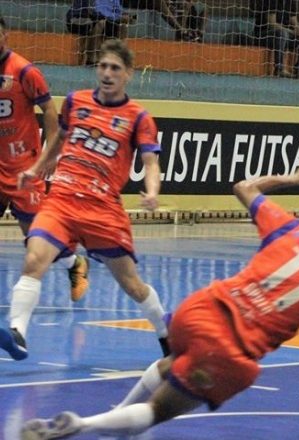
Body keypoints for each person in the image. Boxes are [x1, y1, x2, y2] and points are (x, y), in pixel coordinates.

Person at [19, 163, 299, 440]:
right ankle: (83, 426)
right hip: (229, 350)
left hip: (198, 310)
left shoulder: (289, 229)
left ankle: (116, 416)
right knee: (158, 411)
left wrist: (295, 178)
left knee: (175, 361)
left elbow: (244, 187)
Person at [0, 39, 170, 361]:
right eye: (103, 66)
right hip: (62, 199)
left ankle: (165, 334)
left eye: (115, 68)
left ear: (128, 75)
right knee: (34, 258)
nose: (107, 73)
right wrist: (37, 168)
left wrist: (152, 192)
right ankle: (18, 334)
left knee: (133, 286)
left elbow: (151, 163)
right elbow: (59, 139)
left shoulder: (138, 117)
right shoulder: (76, 102)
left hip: (102, 209)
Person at [0, 16, 91, 304]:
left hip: (22, 167)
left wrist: (52, 151)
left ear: (5, 35)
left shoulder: (25, 71)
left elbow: (50, 112)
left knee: (37, 238)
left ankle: (73, 264)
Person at [251, 0, 299, 79]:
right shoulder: (271, 2)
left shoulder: (290, 2)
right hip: (263, 35)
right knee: (282, 33)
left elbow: (294, 21)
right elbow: (272, 24)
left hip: (283, 36)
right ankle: (279, 69)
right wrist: (292, 31)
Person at [66, 0, 103, 65]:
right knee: (99, 24)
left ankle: (85, 59)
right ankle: (90, 58)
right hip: (81, 20)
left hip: (71, 21)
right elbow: (92, 13)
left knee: (83, 41)